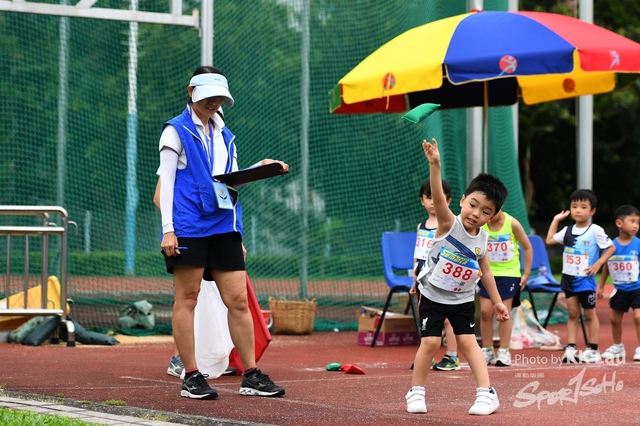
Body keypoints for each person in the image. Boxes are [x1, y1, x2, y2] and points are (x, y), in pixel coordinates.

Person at [158, 65, 288, 399]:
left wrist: (260, 169)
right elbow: (166, 184)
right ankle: (191, 376)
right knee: (187, 299)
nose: (214, 103)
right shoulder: (174, 131)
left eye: (219, 98)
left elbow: (230, 181)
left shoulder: (226, 135)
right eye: (208, 97)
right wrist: (168, 230)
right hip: (188, 225)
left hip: (224, 226)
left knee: (238, 301)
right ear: (191, 93)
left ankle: (251, 375)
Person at [406, 138, 509, 416]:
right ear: (462, 201)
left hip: (462, 299)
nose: (476, 214)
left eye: (485, 211)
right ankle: (416, 391)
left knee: (468, 342)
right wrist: (435, 164)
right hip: (432, 295)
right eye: (473, 205)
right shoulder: (448, 223)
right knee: (430, 342)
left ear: (492, 216)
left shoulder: (483, 238)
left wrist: (497, 301)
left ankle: (486, 393)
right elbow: (439, 198)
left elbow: (486, 271)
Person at [545, 189, 614, 364]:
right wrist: (556, 220)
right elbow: (549, 240)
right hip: (568, 279)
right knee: (573, 314)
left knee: (590, 314)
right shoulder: (567, 230)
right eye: (574, 206)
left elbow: (611, 248)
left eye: (583, 207)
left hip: (586, 280)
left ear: (592, 211)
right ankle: (571, 348)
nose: (578, 210)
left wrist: (598, 264)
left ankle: (593, 349)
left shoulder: (595, 230)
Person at [411, 178, 460, 371]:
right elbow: (417, 255)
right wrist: (414, 279)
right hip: (423, 278)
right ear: (422, 200)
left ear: (447, 201)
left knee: (447, 318)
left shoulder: (449, 224)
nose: (433, 202)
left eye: (437, 197)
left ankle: (452, 356)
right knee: (427, 317)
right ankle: (427, 357)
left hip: (442, 277)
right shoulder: (421, 226)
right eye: (429, 197)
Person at [479, 210, 533, 367]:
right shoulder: (481, 224)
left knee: (504, 313)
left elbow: (528, 248)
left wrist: (526, 273)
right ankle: (487, 350)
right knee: (485, 312)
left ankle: (504, 351)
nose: (490, 215)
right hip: (487, 274)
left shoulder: (512, 223)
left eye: (493, 210)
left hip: (509, 274)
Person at [597, 205, 640, 362]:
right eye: (632, 221)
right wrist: (601, 286)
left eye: (638, 223)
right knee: (614, 320)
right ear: (619, 223)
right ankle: (617, 346)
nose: (636, 226)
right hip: (620, 289)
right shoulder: (611, 246)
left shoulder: (638, 244)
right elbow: (606, 267)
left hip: (637, 288)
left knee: (638, 317)